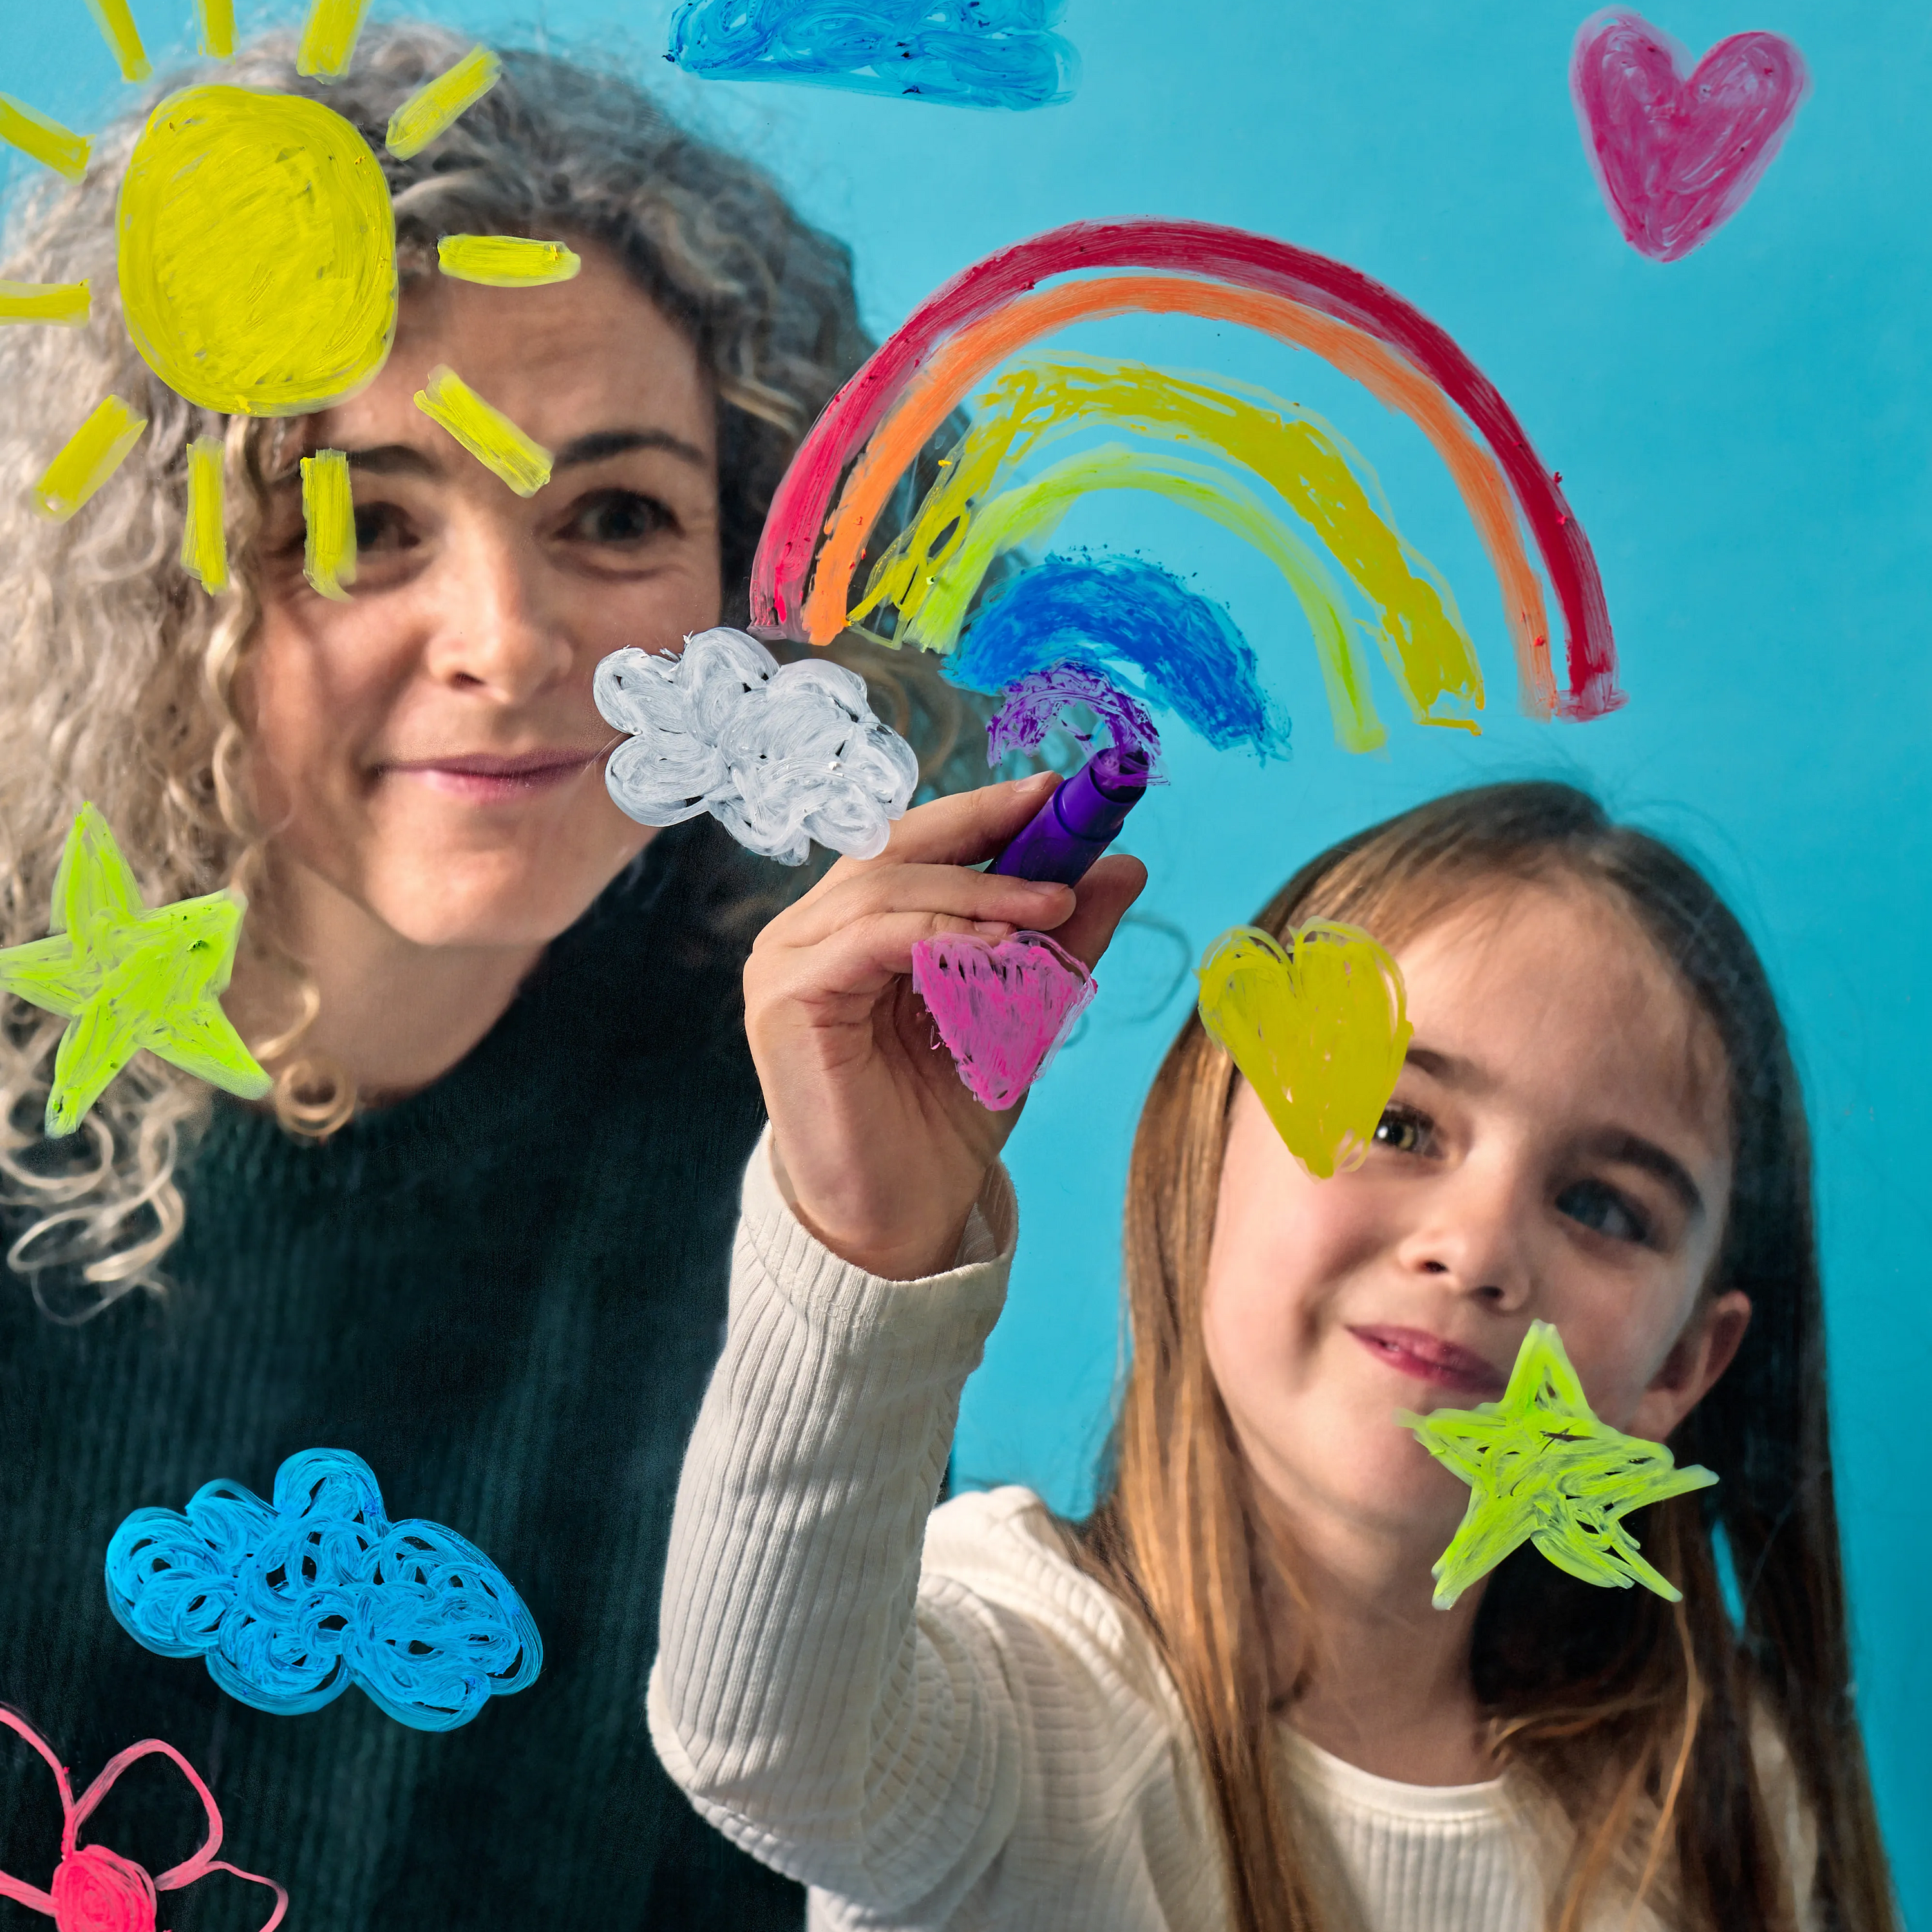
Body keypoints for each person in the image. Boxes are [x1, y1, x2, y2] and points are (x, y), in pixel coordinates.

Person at [0, 21, 978, 1927]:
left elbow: (809, 1836)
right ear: (153, 589)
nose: (511, 644)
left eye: (614, 517)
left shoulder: (797, 1137)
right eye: (364, 525)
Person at [650, 777, 1900, 1932]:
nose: (1476, 1251)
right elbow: (773, 1752)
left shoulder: (1722, 1809)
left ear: (1682, 1368)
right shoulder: (1036, 1685)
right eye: (1398, 1122)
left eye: (1604, 1209)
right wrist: (869, 1239)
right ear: (1207, 1159)